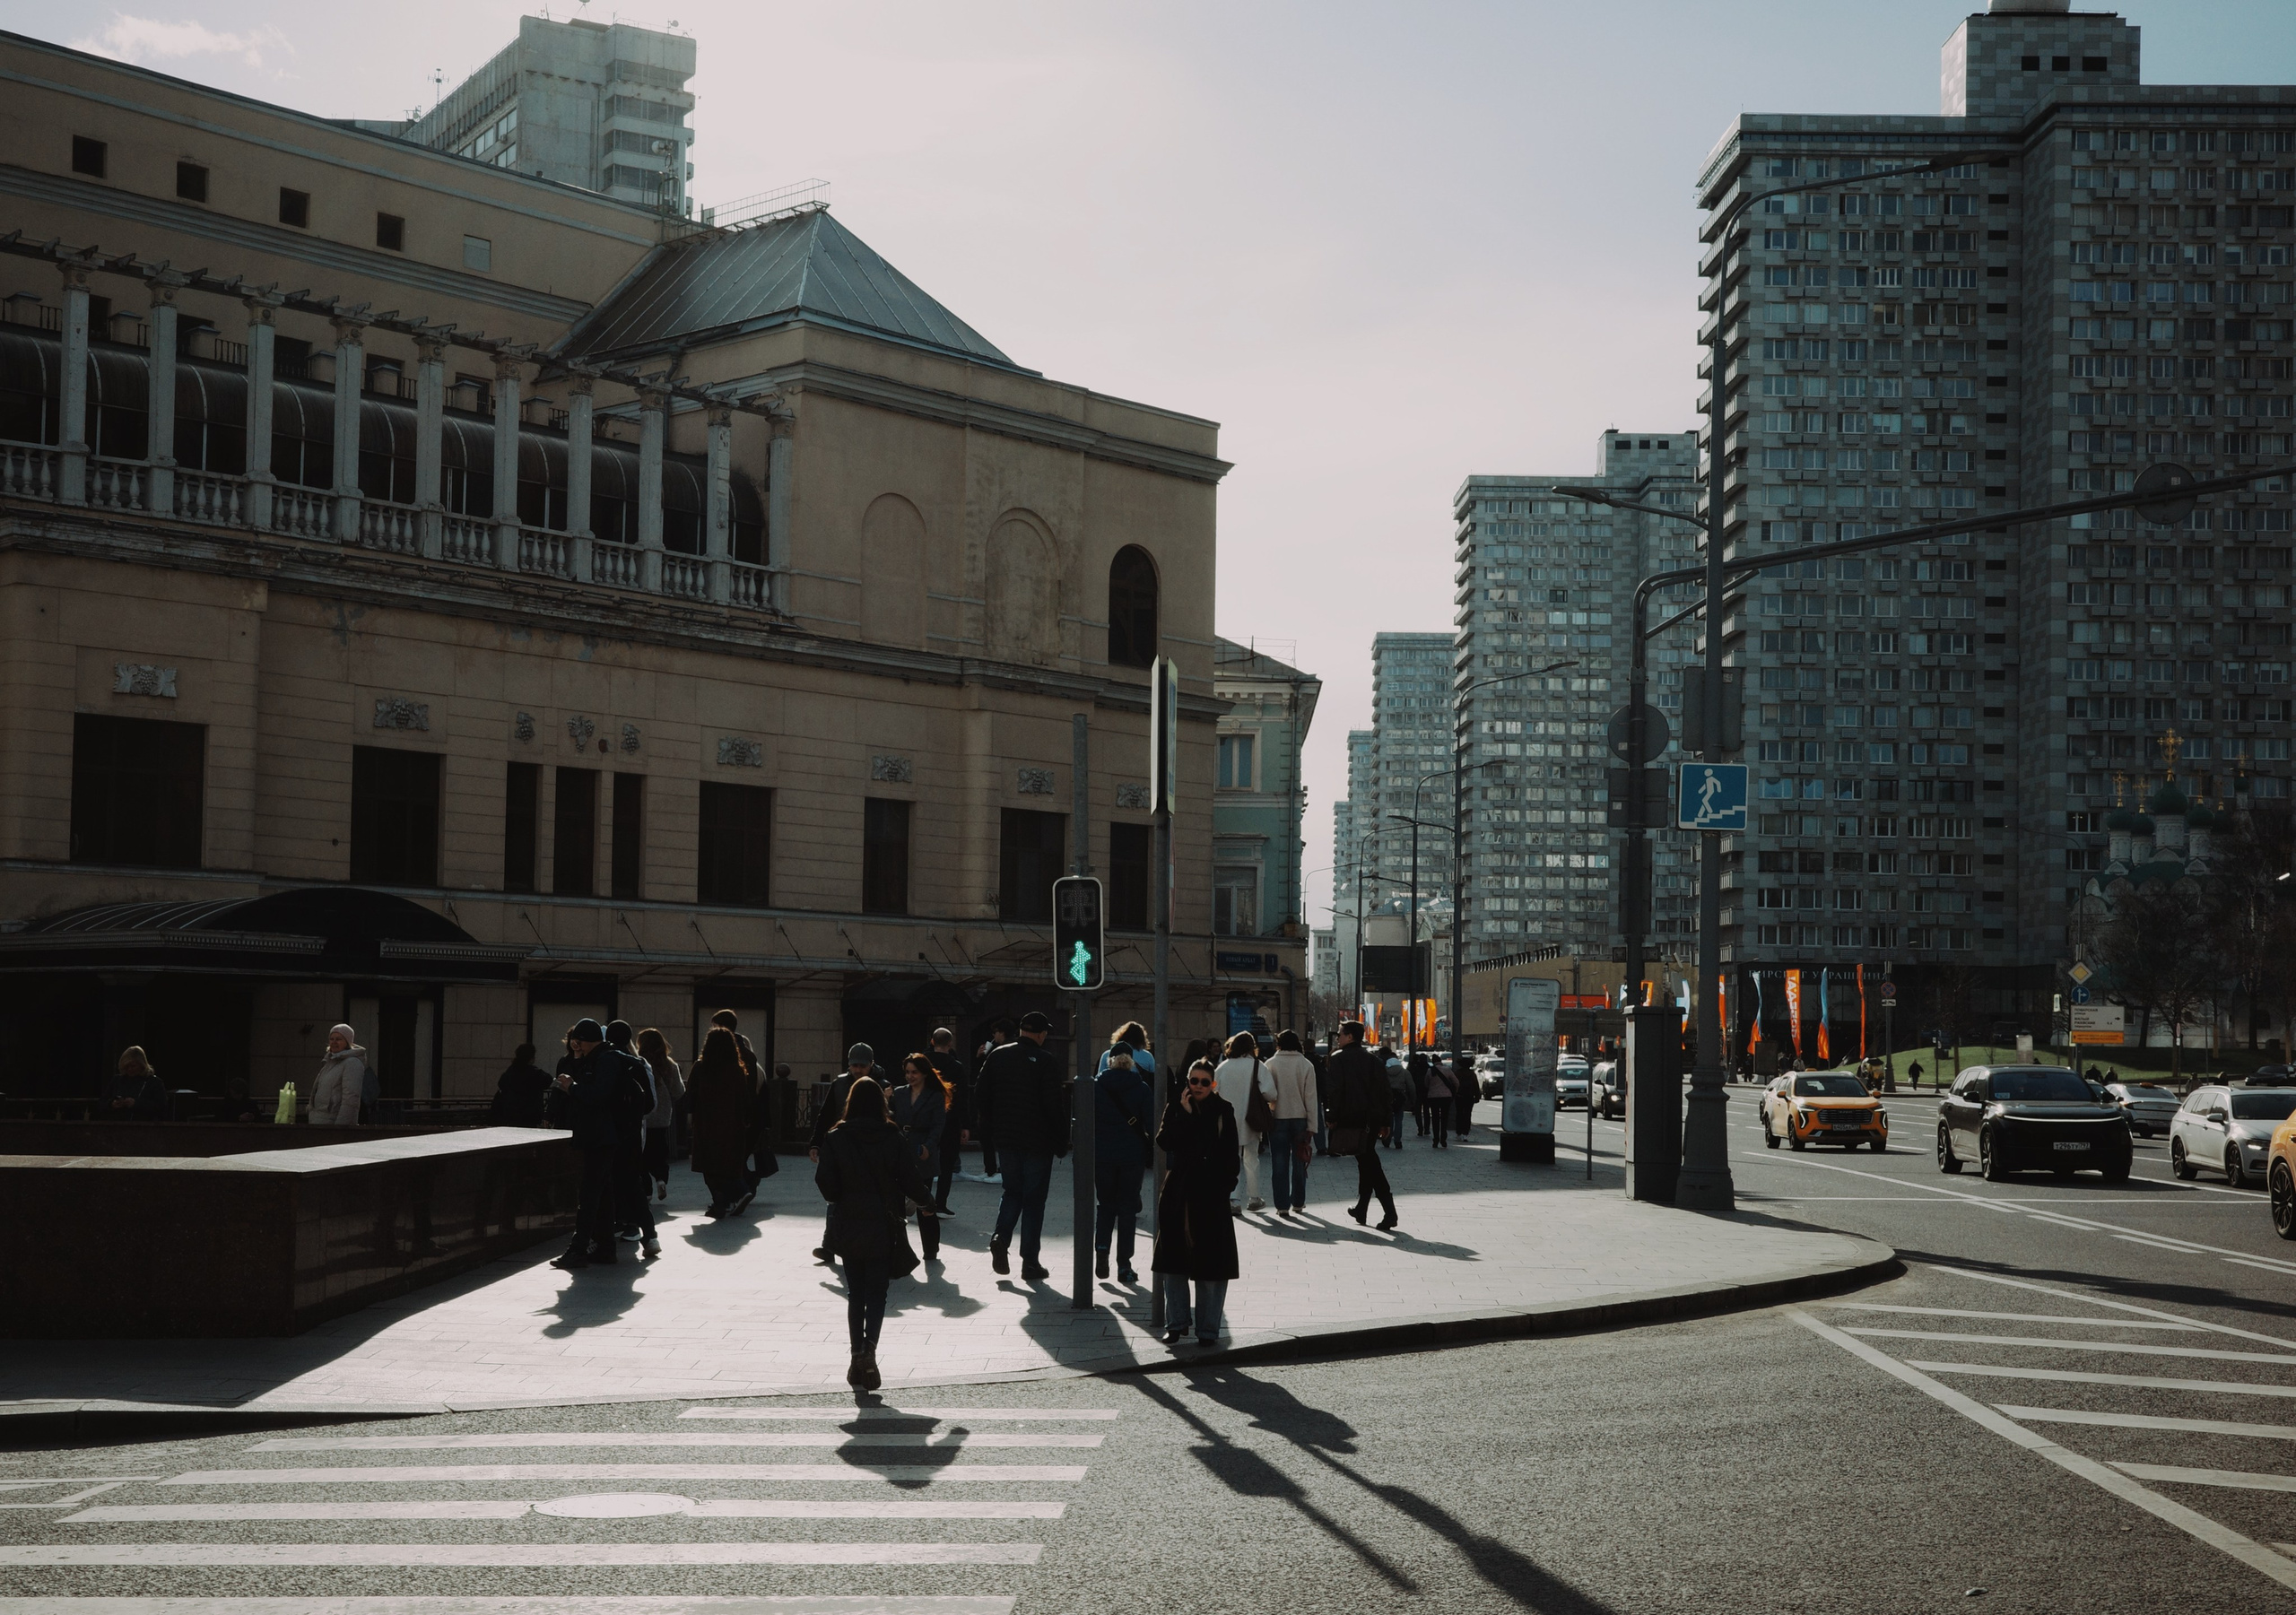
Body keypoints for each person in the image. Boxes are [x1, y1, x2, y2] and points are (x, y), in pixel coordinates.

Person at [815, 1075, 933, 1391]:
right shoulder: (891, 1136)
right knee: (877, 1292)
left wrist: (841, 1195)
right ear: (881, 1103)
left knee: (855, 1293)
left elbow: (824, 1182)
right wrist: (926, 1202)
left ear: (850, 1102)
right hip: (883, 1221)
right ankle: (869, 1350)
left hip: (850, 1220)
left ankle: (856, 1354)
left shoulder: (836, 1136)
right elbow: (910, 1177)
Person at [546, 1019, 654, 1270]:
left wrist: (571, 1087)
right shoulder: (602, 1058)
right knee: (603, 1194)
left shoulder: (606, 1060)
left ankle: (579, 1248)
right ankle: (605, 1248)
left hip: (601, 1138)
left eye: (579, 1042)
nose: (577, 1047)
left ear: (587, 1039)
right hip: (604, 1136)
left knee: (590, 1194)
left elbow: (597, 1096)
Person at [973, 1010, 1069, 1281]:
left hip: (1007, 1139)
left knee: (1012, 1191)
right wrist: (1061, 1141)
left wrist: (993, 1128)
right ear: (1041, 1034)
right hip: (1038, 1142)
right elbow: (1054, 1107)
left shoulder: (997, 1055)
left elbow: (980, 1095)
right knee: (1034, 1201)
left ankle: (1000, 1238)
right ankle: (1030, 1262)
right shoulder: (1046, 1061)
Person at [1152, 1058, 1241, 1346]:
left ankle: (1208, 1330)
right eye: (1194, 1080)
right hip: (1179, 1193)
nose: (1199, 1086)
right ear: (1187, 1081)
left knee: (1212, 1266)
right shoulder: (1177, 1107)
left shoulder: (1222, 1110)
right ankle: (1176, 1324)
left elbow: (1229, 1154)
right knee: (1174, 1264)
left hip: (1211, 1195)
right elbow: (1165, 1141)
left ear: (1213, 1084)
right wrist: (1186, 1114)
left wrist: (1225, 1188)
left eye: (1205, 1082)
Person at [810, 1045, 882, 1266]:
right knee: (834, 1199)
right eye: (854, 1065)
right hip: (841, 1150)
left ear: (871, 1065)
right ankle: (829, 1245)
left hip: (870, 1152)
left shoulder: (882, 1086)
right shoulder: (840, 1084)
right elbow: (825, 1115)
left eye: (862, 1066)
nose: (858, 1070)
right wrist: (816, 1143)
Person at [1326, 1020, 1397, 1230]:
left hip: (1351, 1119)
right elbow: (1385, 1092)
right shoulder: (1373, 1060)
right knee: (1365, 1162)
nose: (1338, 1038)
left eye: (1340, 1034)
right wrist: (1386, 1121)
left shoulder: (1338, 1059)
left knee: (1370, 1164)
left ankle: (1390, 1212)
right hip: (1372, 1120)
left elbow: (1335, 1091)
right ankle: (1362, 1208)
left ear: (1349, 1037)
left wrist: (1332, 1115)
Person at [1094, 1041, 1155, 1281]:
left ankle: (1101, 1250)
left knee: (1105, 1205)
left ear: (1110, 1060)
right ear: (1133, 1062)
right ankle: (1124, 1266)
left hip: (1102, 1156)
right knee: (1128, 1210)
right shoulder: (1141, 1088)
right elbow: (1151, 1126)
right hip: (1132, 1156)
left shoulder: (1096, 1086)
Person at [685, 1028, 756, 1217]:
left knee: (709, 1166)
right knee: (728, 1164)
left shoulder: (701, 1067)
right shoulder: (737, 1069)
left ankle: (729, 1198)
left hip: (706, 1123)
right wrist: (747, 1119)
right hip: (733, 1124)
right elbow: (745, 1098)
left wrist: (690, 1114)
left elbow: (690, 1095)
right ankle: (729, 1198)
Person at [604, 1020, 659, 1258]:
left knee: (605, 1182)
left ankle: (613, 1229)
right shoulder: (638, 1063)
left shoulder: (604, 1062)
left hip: (607, 1133)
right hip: (632, 1134)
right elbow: (650, 1103)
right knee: (633, 1183)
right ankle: (648, 1233)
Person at [891, 1053, 948, 1264]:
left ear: (924, 1073)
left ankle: (931, 1249)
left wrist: (929, 1147)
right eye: (907, 1072)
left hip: (922, 1150)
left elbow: (938, 1126)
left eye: (914, 1072)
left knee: (924, 1203)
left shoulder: (935, 1096)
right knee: (896, 1203)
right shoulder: (898, 1093)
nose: (910, 1076)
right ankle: (898, 1247)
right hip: (900, 1149)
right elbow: (889, 1118)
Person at [1262, 1029, 1319, 1217]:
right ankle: (1298, 1201)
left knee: (1279, 1163)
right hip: (1300, 1119)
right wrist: (1312, 1126)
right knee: (1299, 1161)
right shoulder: (1306, 1065)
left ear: (1278, 1044)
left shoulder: (1270, 1064)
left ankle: (1282, 1205)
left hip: (1277, 1118)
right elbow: (1311, 1098)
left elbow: (1267, 1093)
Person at [1213, 1031, 1270, 1212]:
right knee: (1252, 1159)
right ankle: (1254, 1198)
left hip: (1227, 1120)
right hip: (1251, 1119)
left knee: (1232, 1159)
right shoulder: (1257, 1066)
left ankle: (1233, 1199)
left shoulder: (1223, 1067)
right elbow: (1271, 1092)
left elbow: (1214, 1091)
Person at [637, 1029, 685, 1203]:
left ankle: (646, 1190)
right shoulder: (669, 1065)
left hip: (643, 1115)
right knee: (659, 1150)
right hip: (663, 1116)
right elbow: (678, 1091)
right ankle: (661, 1179)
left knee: (641, 1153)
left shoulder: (639, 1063)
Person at [928, 1027, 970, 1217]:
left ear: (932, 1042)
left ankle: (923, 1201)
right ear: (950, 1044)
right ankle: (941, 1204)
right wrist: (966, 1125)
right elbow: (962, 1098)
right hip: (950, 1120)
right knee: (946, 1164)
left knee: (926, 1161)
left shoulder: (924, 1065)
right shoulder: (957, 1067)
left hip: (926, 1120)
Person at [974, 1019, 1017, 1180]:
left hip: (995, 1101)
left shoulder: (999, 1052)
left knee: (988, 1135)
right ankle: (997, 1169)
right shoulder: (1010, 1048)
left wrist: (981, 1058)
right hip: (1004, 1101)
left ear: (1002, 1033)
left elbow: (985, 1078)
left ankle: (993, 1169)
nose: (994, 1036)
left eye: (995, 1032)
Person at [309, 1025, 369, 1125]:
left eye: (339, 1039)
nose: (334, 1042)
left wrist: (340, 1128)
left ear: (347, 1042)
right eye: (332, 1039)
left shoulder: (352, 1064)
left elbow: (350, 1100)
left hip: (333, 1126)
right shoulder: (329, 1063)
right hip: (318, 1123)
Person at [489, 1044, 552, 1127]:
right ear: (531, 1059)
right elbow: (548, 1080)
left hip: (512, 1115)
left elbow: (501, 1083)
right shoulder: (534, 1073)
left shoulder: (511, 1072)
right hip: (530, 1115)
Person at [108, 1046, 169, 1118]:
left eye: (133, 1066)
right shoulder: (117, 1080)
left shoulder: (154, 1083)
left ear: (142, 1064)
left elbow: (162, 1107)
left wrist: (136, 1104)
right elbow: (101, 1103)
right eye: (126, 1066)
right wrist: (112, 1104)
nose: (130, 1069)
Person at [1423, 1053, 1455, 1149]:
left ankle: (1435, 1140)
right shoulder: (1447, 1070)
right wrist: (1453, 1092)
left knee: (1435, 1118)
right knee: (1444, 1118)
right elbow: (1456, 1082)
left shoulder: (1430, 1071)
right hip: (1446, 1097)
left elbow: (1426, 1084)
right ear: (1440, 1061)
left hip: (1433, 1097)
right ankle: (1443, 1139)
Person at [1383, 1046, 1412, 1150]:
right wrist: (1413, 1099)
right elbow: (1411, 1086)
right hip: (1400, 1097)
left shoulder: (1384, 1072)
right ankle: (1398, 1141)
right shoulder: (1404, 1072)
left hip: (1387, 1097)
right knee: (1399, 1120)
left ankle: (1387, 1138)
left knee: (1388, 1118)